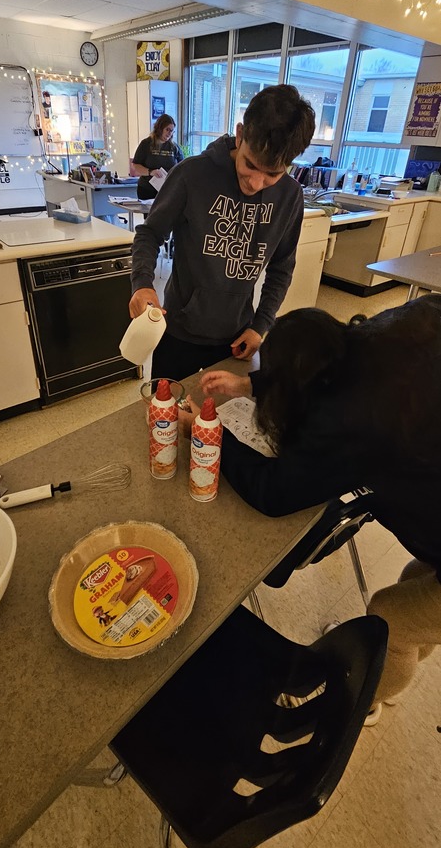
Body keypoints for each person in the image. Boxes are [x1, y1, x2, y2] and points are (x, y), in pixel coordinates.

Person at [182, 297, 441, 719]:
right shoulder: (384, 331)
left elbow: (273, 492)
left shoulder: (354, 422)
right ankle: (403, 656)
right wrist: (251, 385)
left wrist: (210, 431)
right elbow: (317, 367)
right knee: (419, 580)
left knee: (391, 616)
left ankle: (366, 702)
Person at [129, 85, 316, 380]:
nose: (256, 183)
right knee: (166, 419)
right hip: (179, 331)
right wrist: (142, 282)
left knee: (221, 422)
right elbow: (150, 234)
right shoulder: (191, 174)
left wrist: (262, 324)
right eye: (250, 165)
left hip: (237, 338)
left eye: (273, 174)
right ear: (240, 135)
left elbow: (282, 266)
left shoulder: (291, 196)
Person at [131, 114, 184, 201]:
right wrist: (150, 172)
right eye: (167, 130)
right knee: (150, 214)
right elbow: (136, 165)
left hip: (167, 190)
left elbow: (182, 166)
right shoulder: (146, 144)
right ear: (160, 128)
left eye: (172, 131)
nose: (169, 133)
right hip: (147, 189)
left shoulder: (174, 147)